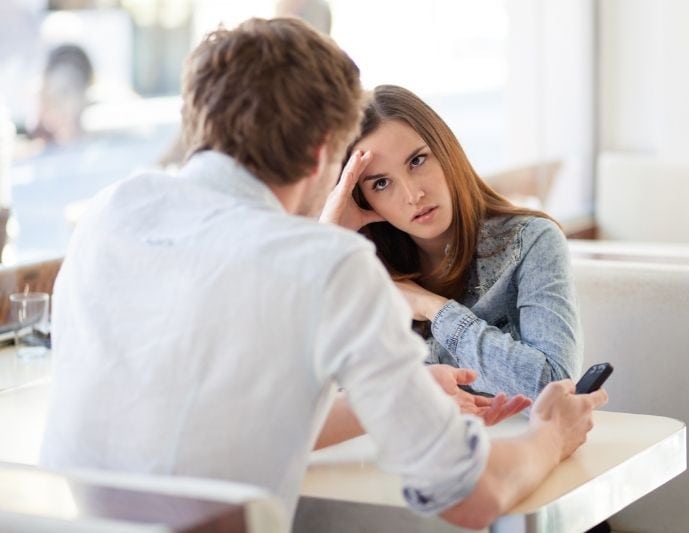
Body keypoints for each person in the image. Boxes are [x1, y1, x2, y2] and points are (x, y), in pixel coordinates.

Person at [40, 18, 606, 529]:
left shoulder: (110, 212)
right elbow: (467, 495)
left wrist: (382, 403)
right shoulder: (330, 265)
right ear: (323, 158)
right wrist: (551, 434)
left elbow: (222, 422)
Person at [322, 84, 582, 400]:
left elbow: (553, 388)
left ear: (446, 150)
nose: (412, 194)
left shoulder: (529, 241)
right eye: (380, 183)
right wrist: (328, 245)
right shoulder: (364, 265)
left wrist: (433, 307)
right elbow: (317, 392)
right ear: (360, 198)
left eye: (417, 161)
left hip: (516, 442)